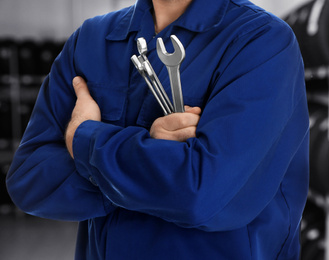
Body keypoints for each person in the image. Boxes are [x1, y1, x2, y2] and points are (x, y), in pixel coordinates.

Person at [6, 0, 309, 259]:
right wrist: (152, 160)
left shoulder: (261, 41)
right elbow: (29, 178)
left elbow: (200, 194)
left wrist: (85, 139)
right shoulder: (90, 40)